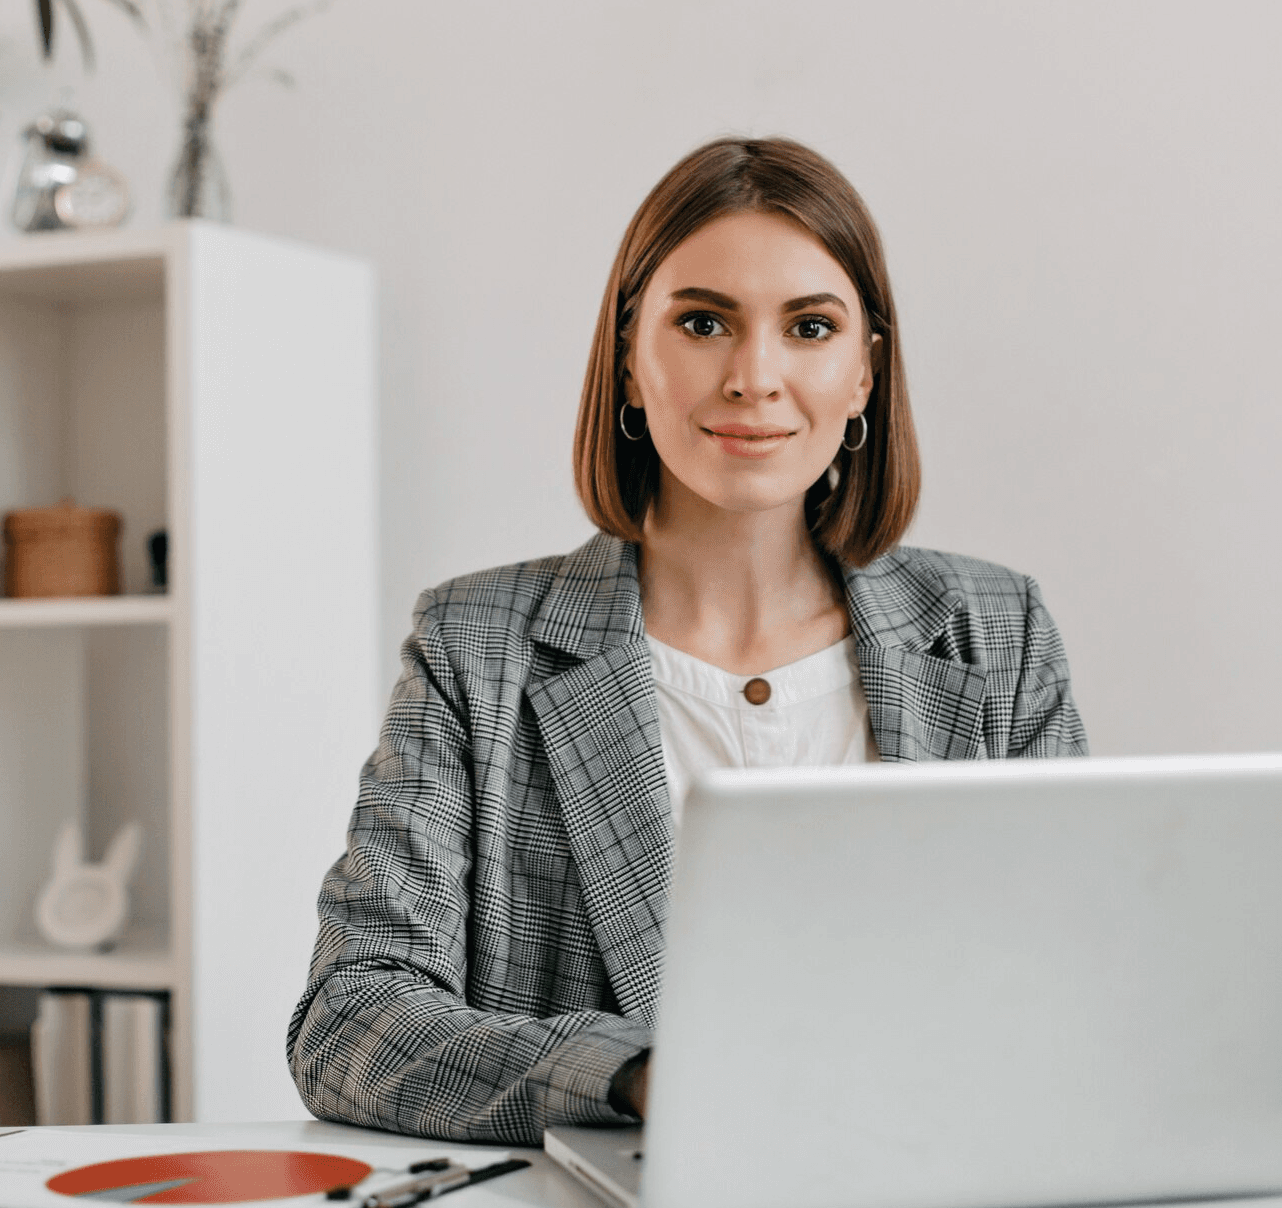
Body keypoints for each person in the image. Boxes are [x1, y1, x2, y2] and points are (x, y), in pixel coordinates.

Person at [287, 136, 1087, 1145]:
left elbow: (1076, 985)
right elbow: (349, 1018)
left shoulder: (993, 634)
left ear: (862, 376)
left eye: (808, 326)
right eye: (703, 322)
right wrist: (635, 1074)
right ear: (629, 358)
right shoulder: (474, 645)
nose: (753, 377)